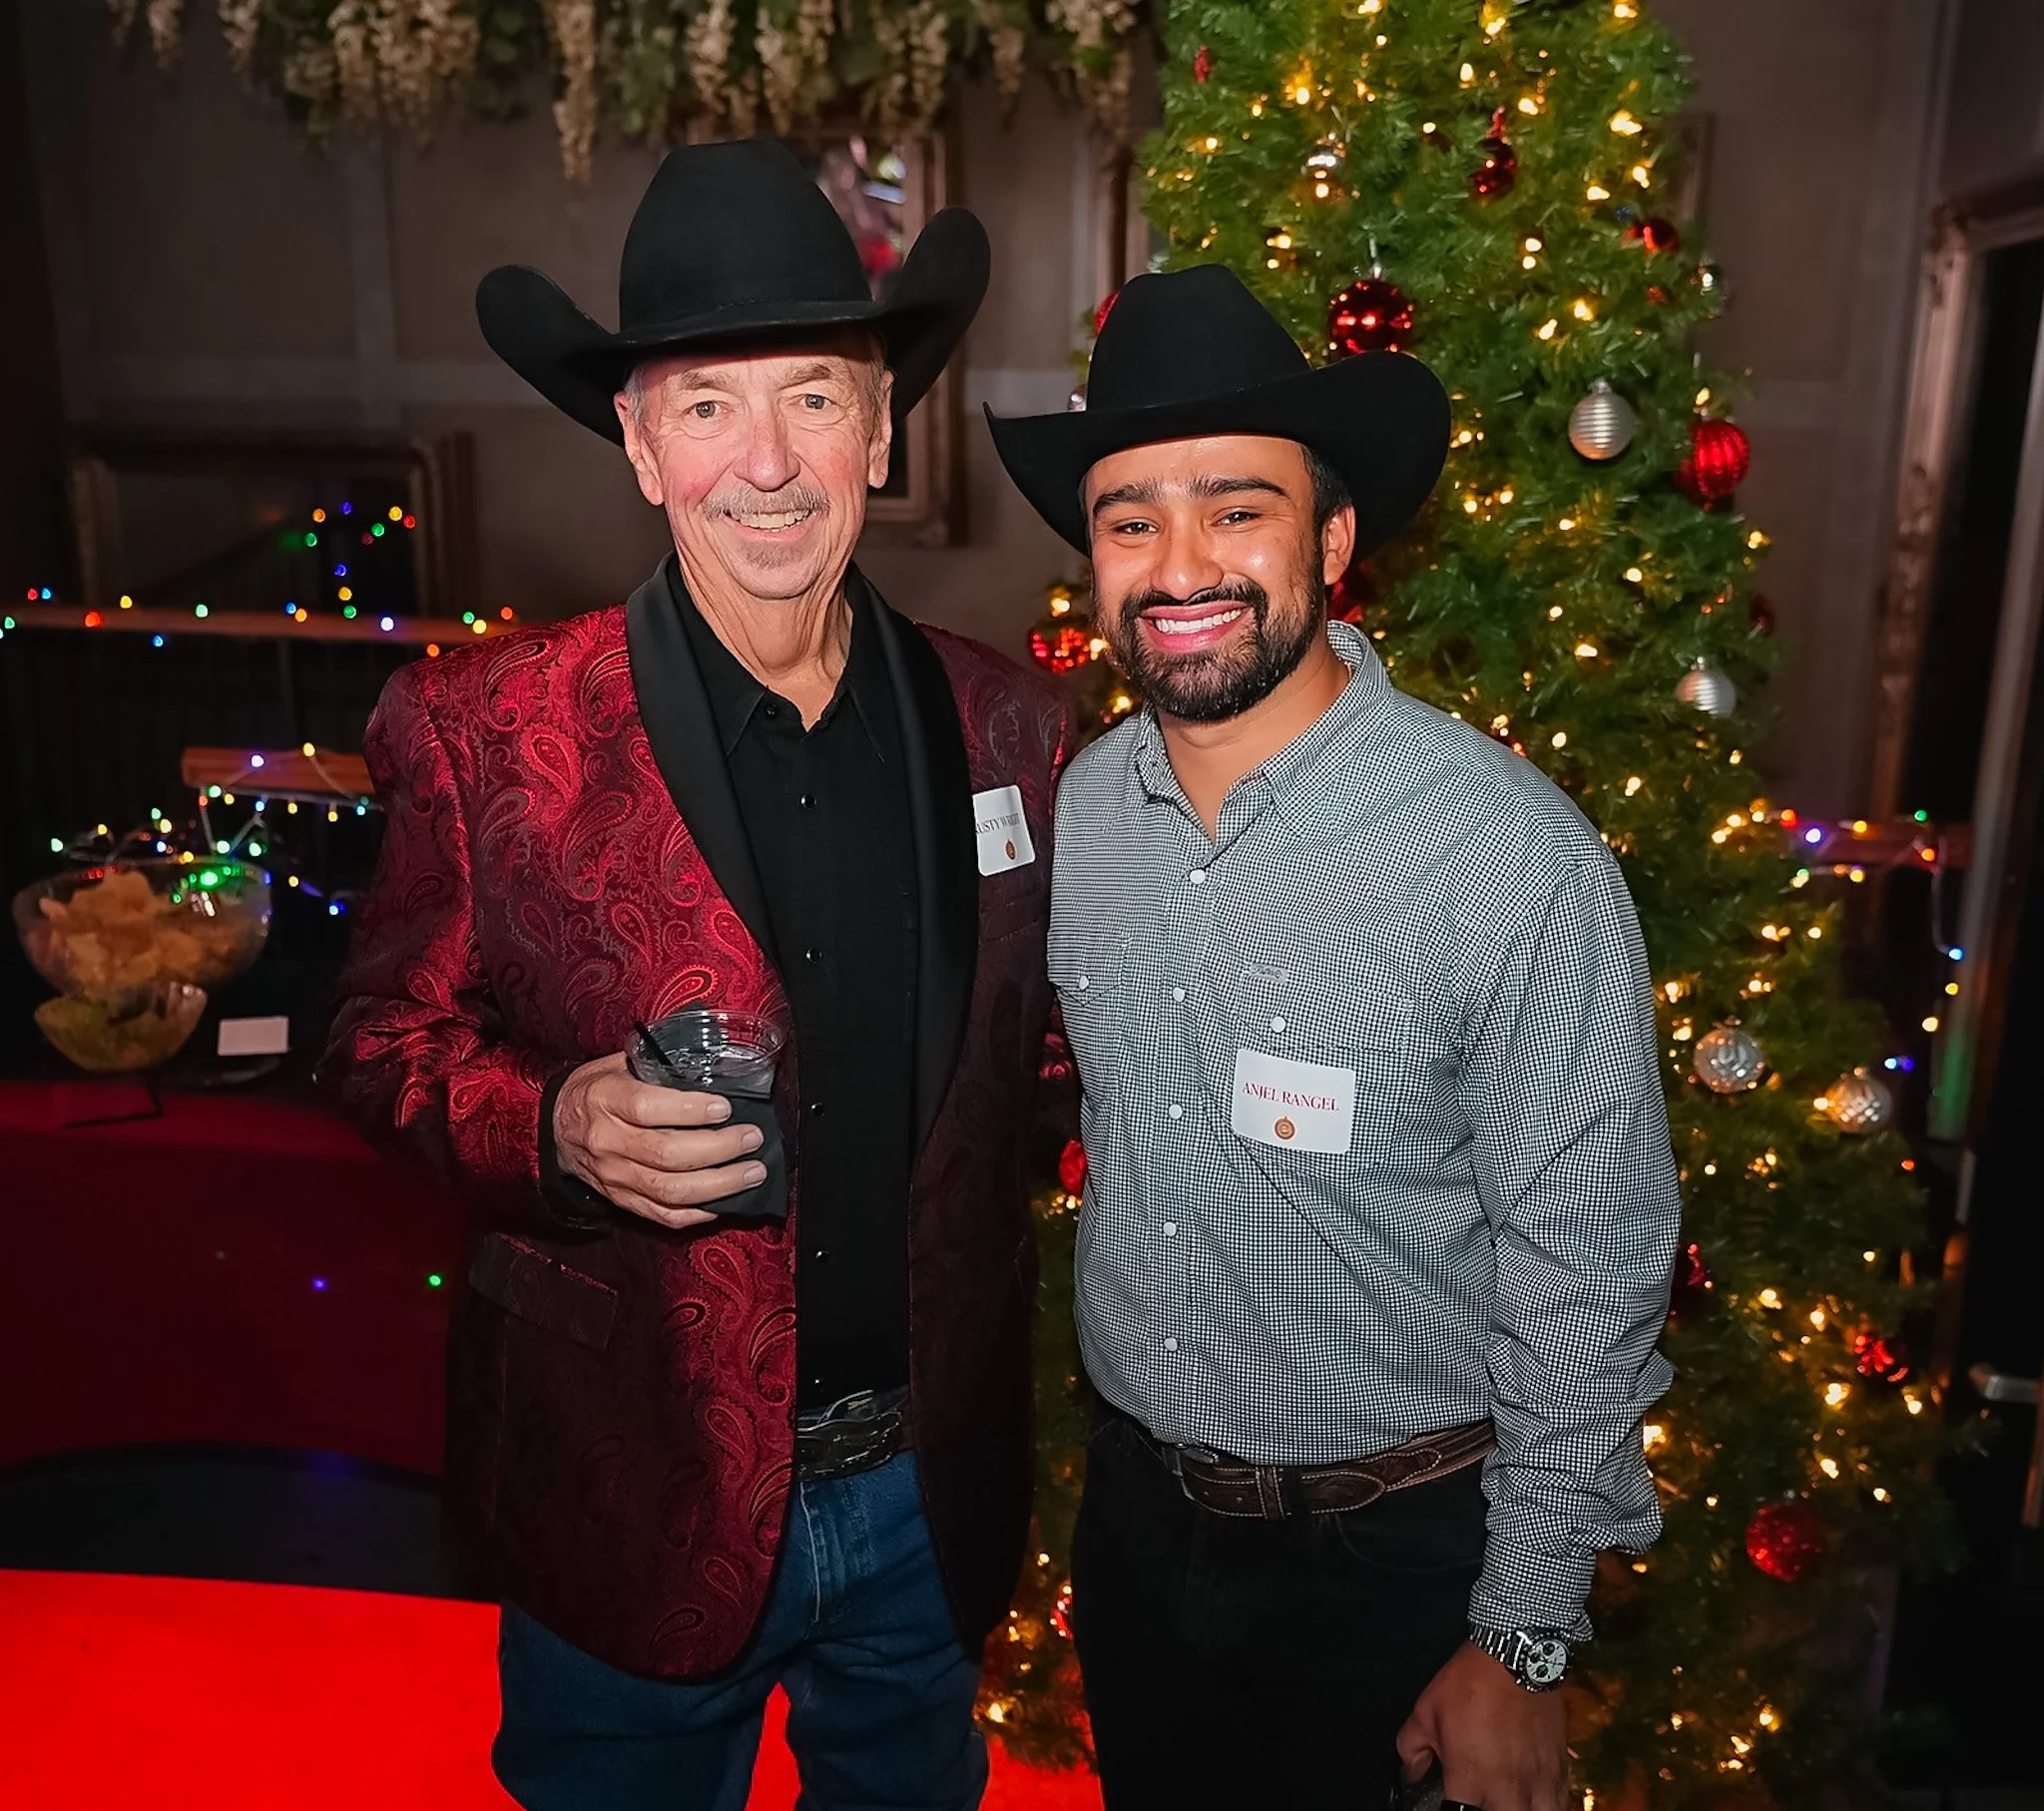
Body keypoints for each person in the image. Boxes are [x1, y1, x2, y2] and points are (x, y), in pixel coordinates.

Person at [324, 140, 1069, 1811]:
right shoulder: (484, 735)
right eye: (709, 404)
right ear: (643, 447)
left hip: (924, 1495)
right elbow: (380, 1043)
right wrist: (553, 1125)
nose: (770, 460)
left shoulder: (1014, 729)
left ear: (882, 430)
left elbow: (1049, 1071)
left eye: (814, 395)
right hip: (628, 1479)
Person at [987, 264, 1681, 1811]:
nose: (1180, 562)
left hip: (1401, 1571)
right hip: (1140, 1537)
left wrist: (1523, 1634)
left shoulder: (1504, 854)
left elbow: (1592, 1265)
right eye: (1129, 516)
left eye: (1238, 507)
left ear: (1335, 538)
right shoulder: (1083, 811)